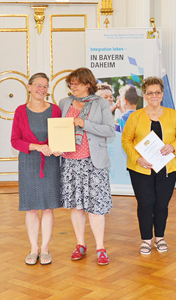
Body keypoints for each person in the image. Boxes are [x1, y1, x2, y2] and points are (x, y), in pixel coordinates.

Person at [121, 77, 176, 254]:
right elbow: (126, 140)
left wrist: (173, 146)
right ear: (145, 95)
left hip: (167, 168)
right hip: (141, 168)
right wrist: (137, 158)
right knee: (145, 203)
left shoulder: (173, 115)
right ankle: (146, 239)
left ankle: (160, 238)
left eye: (157, 92)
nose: (154, 96)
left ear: (162, 94)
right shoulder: (135, 117)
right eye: (150, 93)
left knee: (162, 204)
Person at [58, 67, 115, 265]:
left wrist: (84, 123)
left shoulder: (100, 104)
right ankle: (80, 244)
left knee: (96, 207)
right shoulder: (64, 103)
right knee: (76, 205)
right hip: (70, 163)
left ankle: (101, 247)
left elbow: (110, 131)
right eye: (71, 83)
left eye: (76, 83)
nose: (72, 86)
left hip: (94, 162)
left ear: (88, 84)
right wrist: (56, 146)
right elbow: (59, 129)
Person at [11, 73, 63, 265]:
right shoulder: (20, 111)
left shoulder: (55, 110)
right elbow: (15, 141)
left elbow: (61, 135)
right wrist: (36, 146)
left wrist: (58, 148)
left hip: (50, 163)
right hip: (28, 163)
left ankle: (45, 248)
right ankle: (33, 249)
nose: (42, 89)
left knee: (48, 208)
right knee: (32, 208)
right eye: (38, 85)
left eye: (45, 86)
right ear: (29, 87)